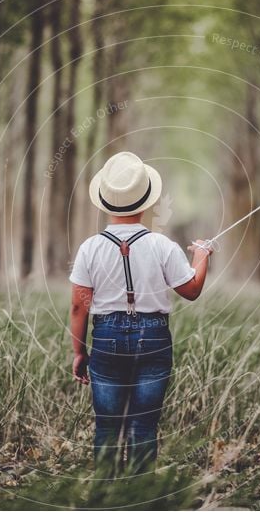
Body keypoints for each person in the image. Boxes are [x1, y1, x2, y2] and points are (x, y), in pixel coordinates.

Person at [69, 151, 211, 476]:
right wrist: (202, 256)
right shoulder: (163, 246)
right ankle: (141, 496)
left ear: (104, 201)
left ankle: (104, 496)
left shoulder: (89, 248)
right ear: (145, 202)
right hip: (155, 339)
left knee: (107, 427)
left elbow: (79, 304)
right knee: (144, 426)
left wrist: (79, 351)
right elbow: (191, 290)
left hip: (105, 338)